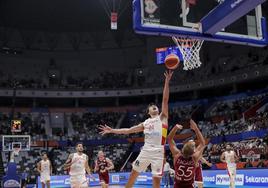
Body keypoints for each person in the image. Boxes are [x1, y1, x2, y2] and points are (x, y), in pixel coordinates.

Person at [99, 70, 173, 188]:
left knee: (156, 181)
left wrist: (167, 82)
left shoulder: (163, 117)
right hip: (146, 150)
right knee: (134, 173)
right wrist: (112, 130)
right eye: (151, 107)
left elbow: (165, 99)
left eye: (155, 106)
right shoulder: (145, 123)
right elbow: (128, 130)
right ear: (148, 112)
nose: (154, 107)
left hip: (159, 152)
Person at [167, 120, 206, 188]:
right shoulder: (194, 158)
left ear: (183, 148)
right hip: (189, 185)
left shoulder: (177, 155)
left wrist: (175, 128)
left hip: (177, 185)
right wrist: (196, 129)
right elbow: (202, 143)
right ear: (193, 152)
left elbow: (169, 139)